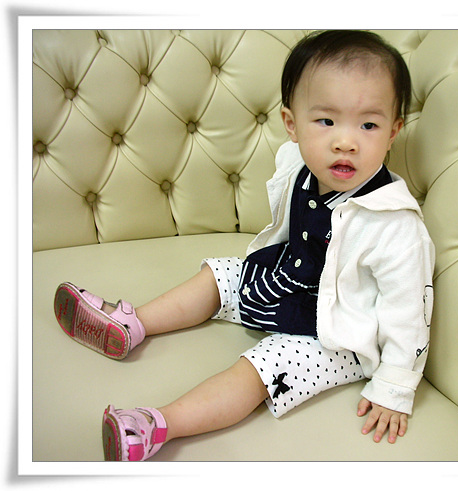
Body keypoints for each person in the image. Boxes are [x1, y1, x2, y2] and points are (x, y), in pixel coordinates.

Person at [53, 29, 435, 462]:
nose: (345, 141)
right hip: (285, 281)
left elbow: (410, 312)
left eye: (368, 125)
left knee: (258, 368)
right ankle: (131, 324)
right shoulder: (300, 164)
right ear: (292, 125)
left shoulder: (395, 225)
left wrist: (394, 387)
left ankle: (156, 425)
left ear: (393, 131)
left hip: (336, 334)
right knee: (218, 275)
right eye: (326, 121)